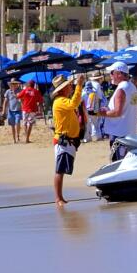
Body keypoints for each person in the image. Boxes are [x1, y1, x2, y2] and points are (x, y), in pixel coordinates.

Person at [50, 74, 85, 207]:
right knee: (60, 170)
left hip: (68, 140)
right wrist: (79, 86)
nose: (70, 87)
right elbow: (74, 103)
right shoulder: (60, 101)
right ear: (62, 89)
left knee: (62, 169)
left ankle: (59, 197)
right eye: (68, 86)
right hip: (63, 141)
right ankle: (58, 197)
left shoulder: (62, 100)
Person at [96, 61, 137, 161]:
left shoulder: (121, 89)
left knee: (118, 164)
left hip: (119, 134)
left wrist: (99, 112)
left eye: (112, 73)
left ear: (119, 74)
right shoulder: (132, 87)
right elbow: (126, 108)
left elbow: (117, 112)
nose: (110, 75)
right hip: (129, 132)